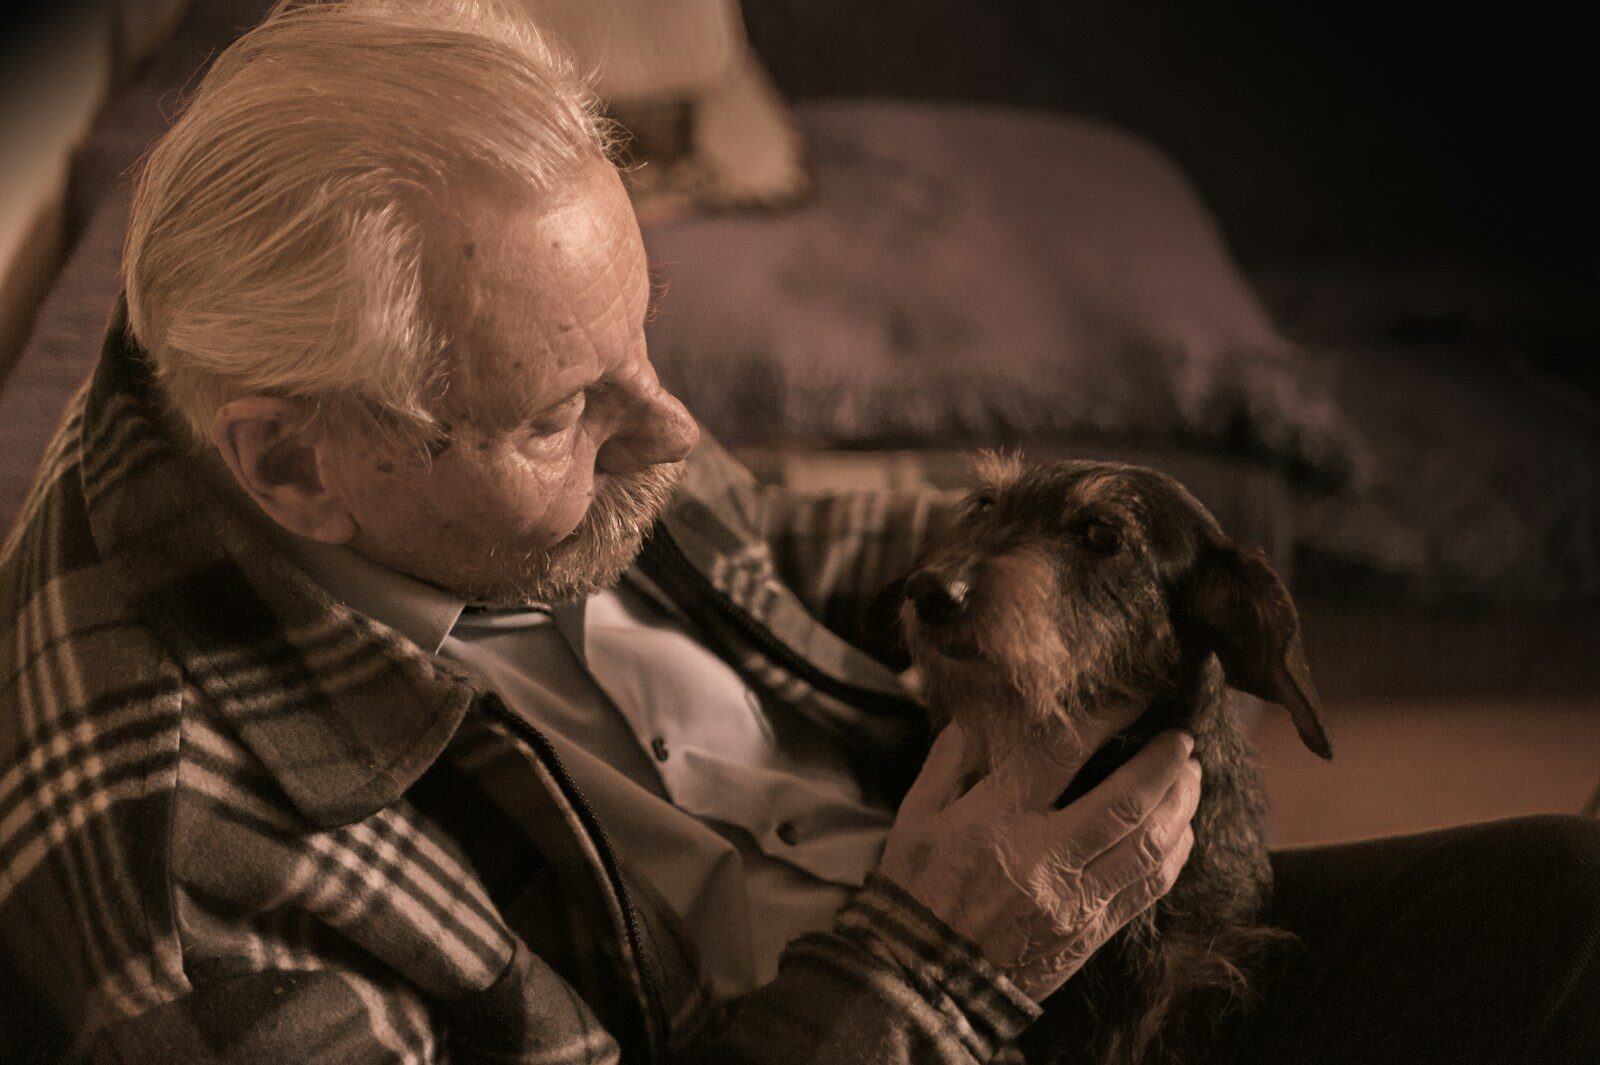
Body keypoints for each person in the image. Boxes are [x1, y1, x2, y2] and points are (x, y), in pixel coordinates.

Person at [0, 3, 1595, 1063]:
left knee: (1566, 891)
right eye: (566, 409)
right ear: (295, 470)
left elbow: (768, 528)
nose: (677, 432)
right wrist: (944, 956)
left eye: (646, 336)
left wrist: (1102, 568)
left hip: (1022, 950)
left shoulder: (424, 440)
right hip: (907, 997)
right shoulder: (176, 873)